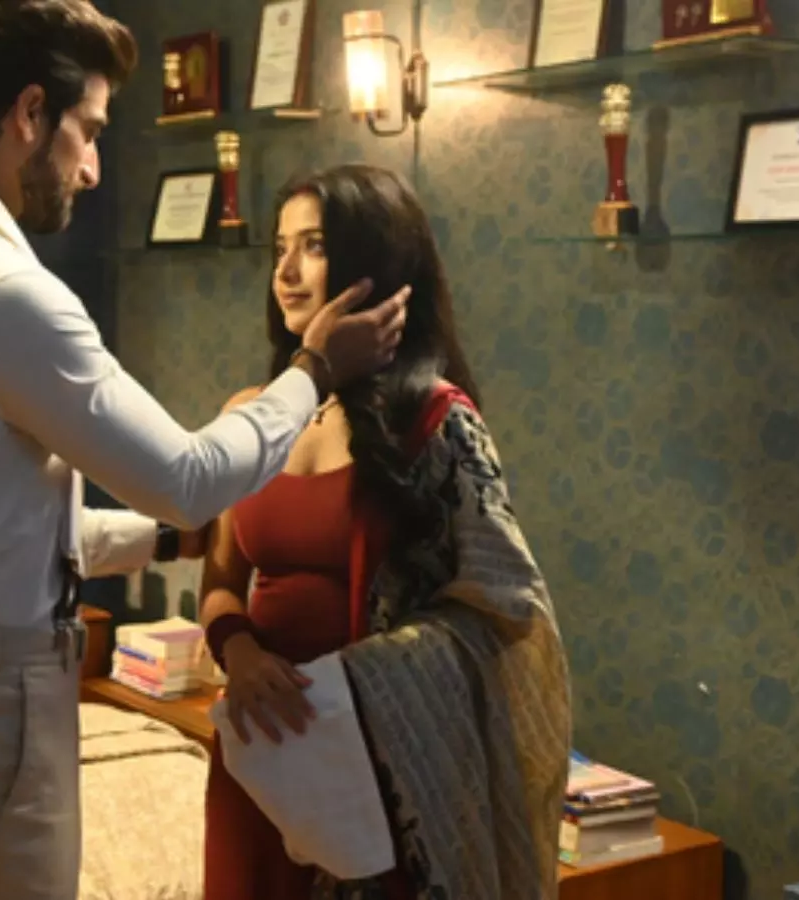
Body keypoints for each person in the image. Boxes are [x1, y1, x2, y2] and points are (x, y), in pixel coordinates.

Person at [0, 2, 409, 898]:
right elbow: (188, 479)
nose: (92, 167)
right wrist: (316, 368)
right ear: (29, 114)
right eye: (88, 131)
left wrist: (167, 544)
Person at [199, 164, 573, 900]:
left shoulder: (434, 421)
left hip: (383, 759)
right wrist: (238, 652)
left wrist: (365, 679)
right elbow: (219, 583)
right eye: (279, 247)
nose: (286, 271)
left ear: (371, 263)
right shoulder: (252, 413)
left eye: (313, 246)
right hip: (262, 747)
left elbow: (507, 608)